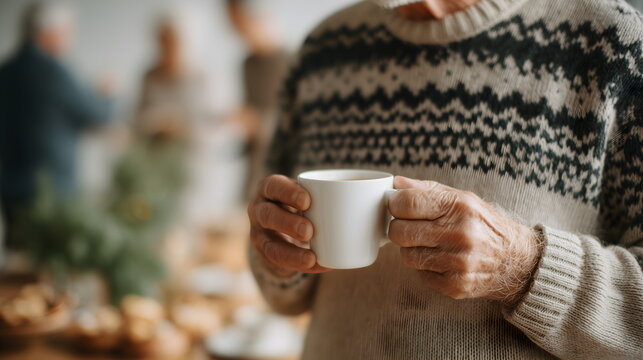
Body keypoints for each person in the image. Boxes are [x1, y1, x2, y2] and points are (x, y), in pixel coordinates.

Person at [247, 0, 643, 359]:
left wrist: (523, 266)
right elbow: (283, 289)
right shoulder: (323, 50)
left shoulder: (613, 44)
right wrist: (279, 260)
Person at [0, 1, 112, 247]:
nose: (69, 40)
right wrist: (107, 94)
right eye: (67, 32)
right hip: (53, 192)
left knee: (18, 271)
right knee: (51, 269)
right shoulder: (57, 73)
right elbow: (100, 115)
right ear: (49, 32)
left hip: (11, 190)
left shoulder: (5, 72)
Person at [226, 0, 290, 200]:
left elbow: (300, 120)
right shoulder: (247, 64)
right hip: (256, 162)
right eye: (234, 25)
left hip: (286, 164)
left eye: (241, 24)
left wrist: (259, 122)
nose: (239, 33)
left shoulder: (290, 60)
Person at [136, 15, 206, 142]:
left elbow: (209, 123)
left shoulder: (201, 78)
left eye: (173, 43)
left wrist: (180, 126)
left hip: (190, 152)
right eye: (164, 44)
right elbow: (136, 120)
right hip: (155, 151)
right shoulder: (149, 77)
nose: (168, 50)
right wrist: (156, 124)